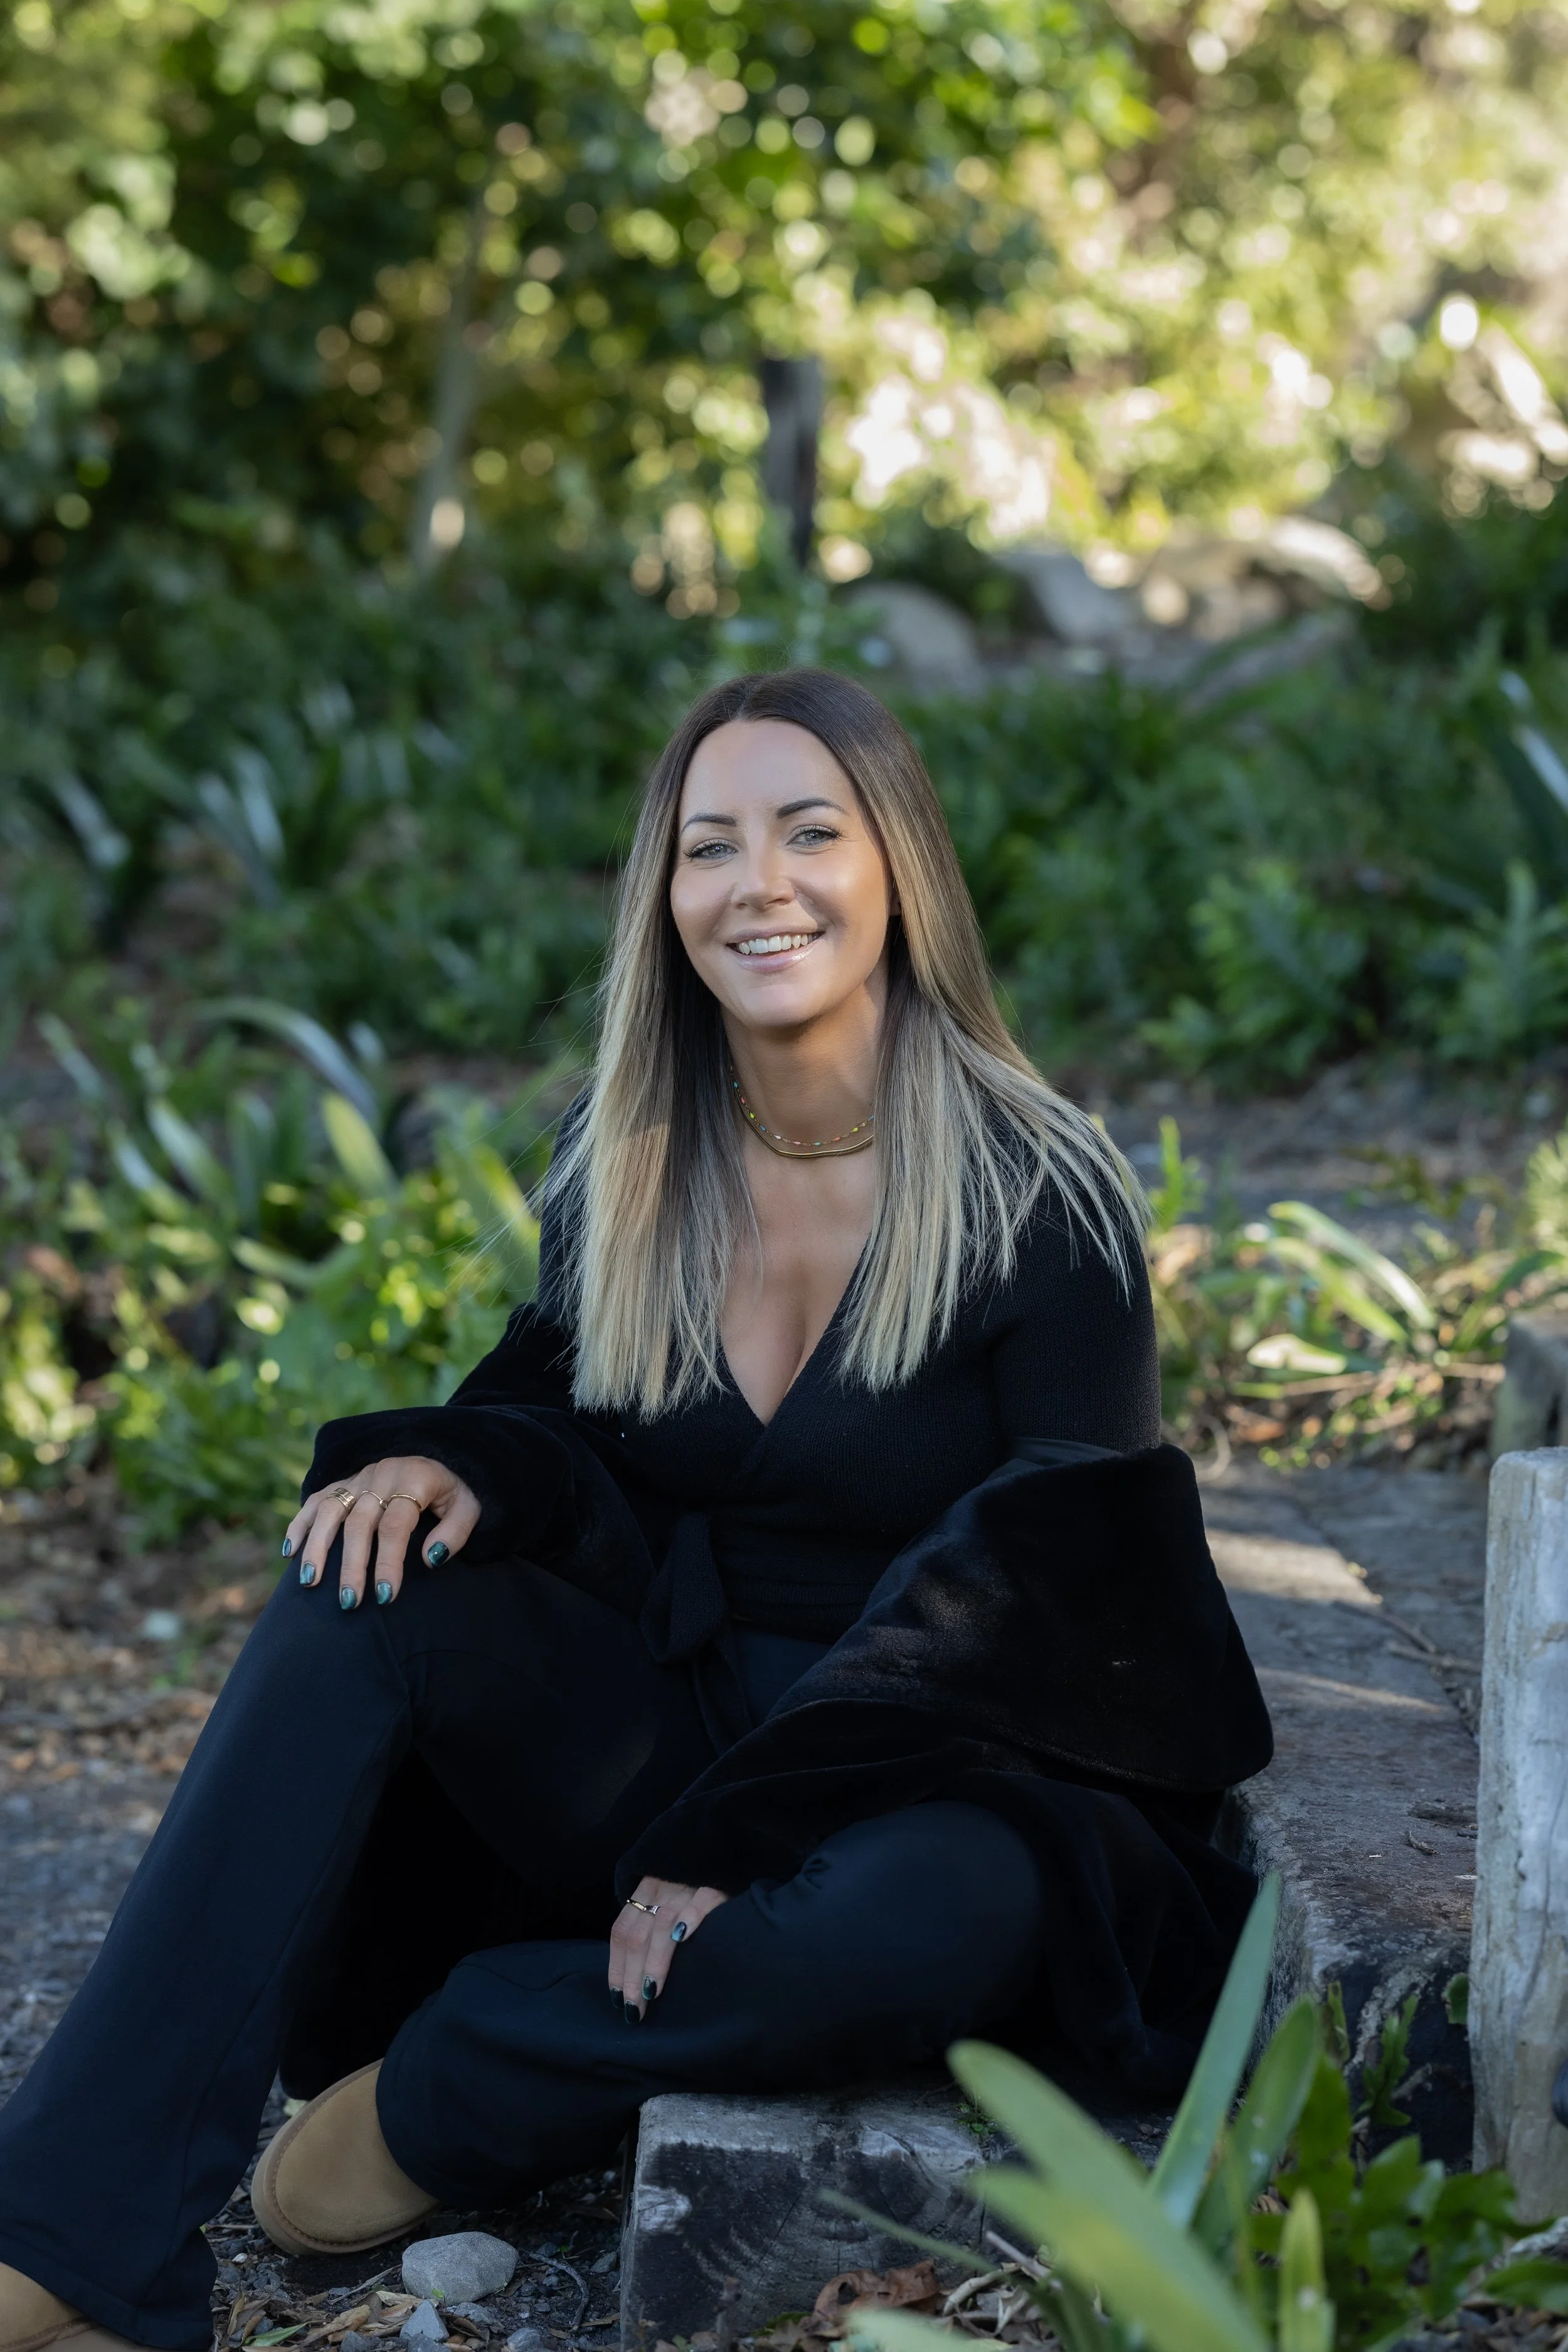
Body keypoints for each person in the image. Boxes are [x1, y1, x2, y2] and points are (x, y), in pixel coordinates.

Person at [0, 669, 1270, 2352]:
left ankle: (464, 2073)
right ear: (662, 901)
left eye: (811, 831)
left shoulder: (1044, 1193)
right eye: (708, 845)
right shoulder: (626, 1158)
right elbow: (551, 1405)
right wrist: (460, 1461)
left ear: (898, 866)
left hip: (929, 1762)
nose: (761, 883)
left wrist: (736, 1839)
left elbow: (1057, 1578)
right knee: (360, 1581)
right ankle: (77, 2247)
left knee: (938, 1917)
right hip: (658, 1726)